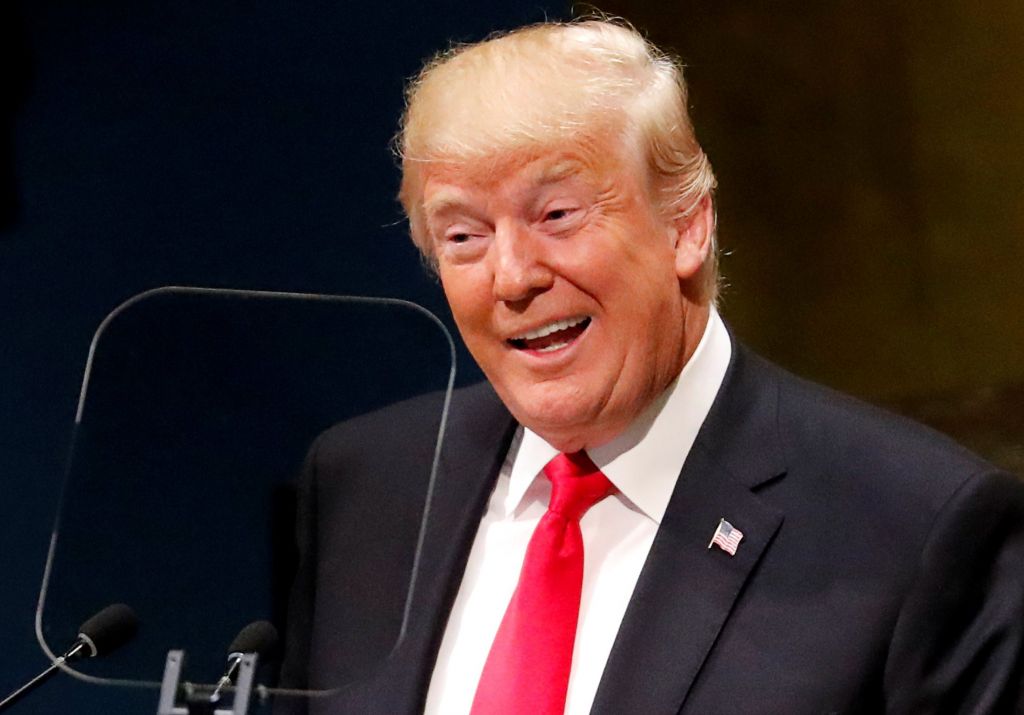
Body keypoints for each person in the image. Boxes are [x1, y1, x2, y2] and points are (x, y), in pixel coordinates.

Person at [279, 19, 1024, 714]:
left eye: (557, 215)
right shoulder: (364, 487)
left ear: (686, 225)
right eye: (464, 235)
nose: (511, 277)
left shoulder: (917, 529)